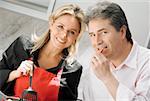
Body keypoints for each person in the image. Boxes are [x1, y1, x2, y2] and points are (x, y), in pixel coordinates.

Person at [0, 4, 85, 101]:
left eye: (72, 32)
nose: (64, 35)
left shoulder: (73, 69)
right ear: (51, 23)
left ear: (77, 37)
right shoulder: (22, 46)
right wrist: (15, 73)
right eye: (60, 27)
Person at [78, 1, 150, 101]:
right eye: (92, 35)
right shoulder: (88, 56)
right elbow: (78, 92)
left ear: (122, 32)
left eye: (103, 32)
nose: (97, 41)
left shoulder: (147, 63)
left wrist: (107, 77)